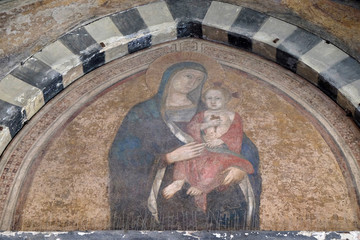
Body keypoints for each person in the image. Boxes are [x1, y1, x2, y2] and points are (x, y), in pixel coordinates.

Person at [108, 58, 261, 230]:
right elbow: (121, 155)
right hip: (165, 187)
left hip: (215, 183)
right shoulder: (144, 112)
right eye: (188, 76)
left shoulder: (210, 111)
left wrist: (239, 167)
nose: (192, 83)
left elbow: (244, 146)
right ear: (170, 77)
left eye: (198, 80)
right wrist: (169, 157)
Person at [163, 86, 254, 213]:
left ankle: (202, 187)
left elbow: (236, 134)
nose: (213, 101)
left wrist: (221, 140)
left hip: (224, 152)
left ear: (226, 100)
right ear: (204, 100)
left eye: (217, 98)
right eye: (209, 98)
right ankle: (178, 182)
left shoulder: (233, 116)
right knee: (186, 157)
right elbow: (191, 128)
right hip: (204, 147)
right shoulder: (202, 115)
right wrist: (207, 126)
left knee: (215, 164)